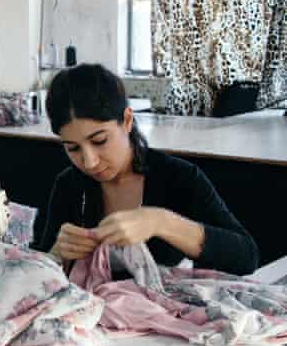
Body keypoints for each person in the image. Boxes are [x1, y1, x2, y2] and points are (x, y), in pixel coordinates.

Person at [37, 63, 258, 275]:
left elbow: (246, 257)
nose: (90, 162)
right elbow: (40, 266)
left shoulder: (179, 178)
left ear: (127, 120)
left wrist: (161, 222)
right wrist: (58, 253)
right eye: (73, 148)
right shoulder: (69, 185)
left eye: (99, 141)